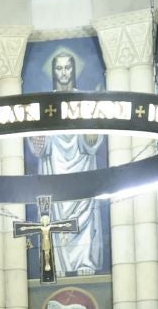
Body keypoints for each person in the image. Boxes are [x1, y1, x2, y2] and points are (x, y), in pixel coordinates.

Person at [25, 47, 105, 276]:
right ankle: (57, 265)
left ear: (73, 70)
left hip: (81, 166)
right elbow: (39, 149)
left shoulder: (84, 102)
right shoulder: (46, 103)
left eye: (67, 67)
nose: (63, 72)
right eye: (59, 68)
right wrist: (36, 131)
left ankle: (84, 261)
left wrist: (92, 133)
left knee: (85, 209)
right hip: (54, 168)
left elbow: (92, 142)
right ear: (53, 71)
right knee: (55, 217)